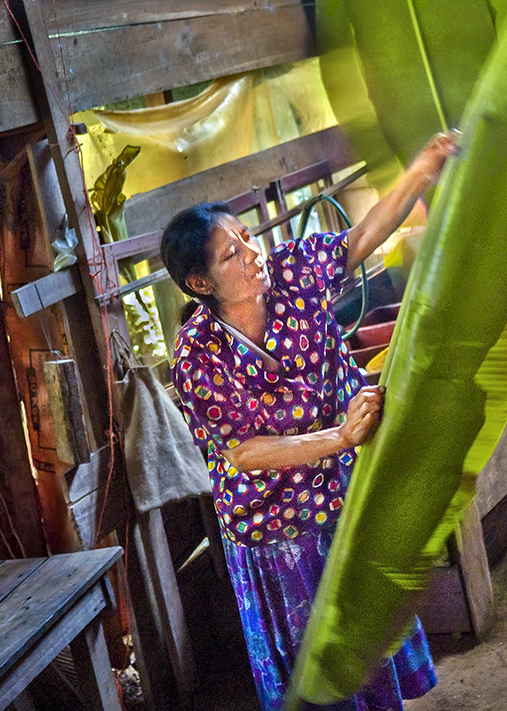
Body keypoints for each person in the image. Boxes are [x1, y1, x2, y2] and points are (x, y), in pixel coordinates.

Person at [162, 133, 459, 711]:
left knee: (367, 637)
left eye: (247, 236)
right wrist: (341, 437)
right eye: (232, 254)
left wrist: (423, 168)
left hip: (343, 489)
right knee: (320, 668)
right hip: (277, 525)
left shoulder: (294, 273)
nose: (253, 254)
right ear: (201, 285)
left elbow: (361, 237)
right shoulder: (197, 357)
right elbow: (244, 452)